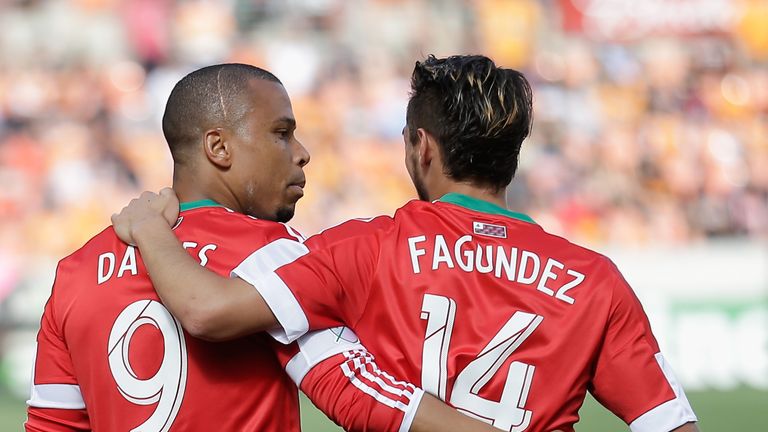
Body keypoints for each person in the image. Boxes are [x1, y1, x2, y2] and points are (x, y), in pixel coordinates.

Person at [112, 55, 698, 432]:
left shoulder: (362, 250)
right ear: (514, 152)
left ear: (422, 147)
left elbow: (208, 311)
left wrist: (151, 228)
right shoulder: (593, 280)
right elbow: (672, 426)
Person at [26, 63, 501, 432]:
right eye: (281, 132)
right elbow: (355, 390)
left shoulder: (75, 271)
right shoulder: (269, 251)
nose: (302, 151)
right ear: (219, 148)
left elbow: (52, 424)